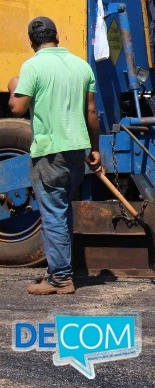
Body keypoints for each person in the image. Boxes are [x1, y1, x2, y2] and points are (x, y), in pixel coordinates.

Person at [7, 17, 99, 295]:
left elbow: (16, 108)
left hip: (50, 151)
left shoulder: (33, 66)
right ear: (57, 37)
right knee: (61, 211)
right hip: (76, 151)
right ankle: (59, 271)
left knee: (53, 214)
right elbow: (91, 113)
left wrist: (14, 85)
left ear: (31, 41)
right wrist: (95, 148)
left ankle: (60, 278)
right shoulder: (82, 66)